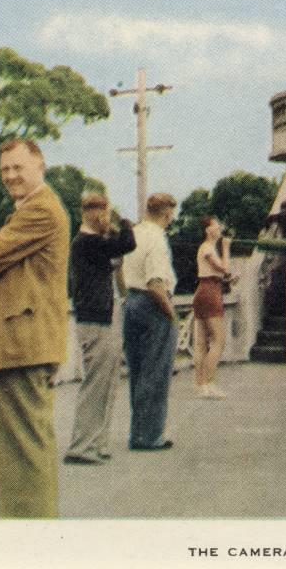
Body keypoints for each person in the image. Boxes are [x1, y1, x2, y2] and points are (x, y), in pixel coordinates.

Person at [0, 138, 69, 518]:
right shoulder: (33, 209)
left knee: (23, 454)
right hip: (21, 344)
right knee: (24, 451)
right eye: (5, 169)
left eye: (18, 167)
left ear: (39, 165)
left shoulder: (40, 211)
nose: (10, 176)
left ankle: (29, 541)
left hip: (23, 344)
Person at [63, 193, 136, 465]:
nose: (107, 219)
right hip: (95, 320)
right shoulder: (86, 242)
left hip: (102, 315)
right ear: (96, 214)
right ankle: (82, 446)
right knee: (96, 384)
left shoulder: (91, 244)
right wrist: (122, 222)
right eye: (104, 214)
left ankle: (97, 442)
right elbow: (128, 243)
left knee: (107, 383)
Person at [121, 192, 179, 451]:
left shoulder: (134, 233)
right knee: (156, 371)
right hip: (152, 304)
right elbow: (156, 283)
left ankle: (137, 431)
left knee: (138, 371)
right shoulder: (156, 239)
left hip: (131, 301)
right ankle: (151, 434)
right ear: (167, 213)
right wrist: (171, 314)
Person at [192, 216, 238, 399]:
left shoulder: (207, 248)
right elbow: (224, 268)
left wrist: (226, 278)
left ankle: (200, 384)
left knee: (202, 342)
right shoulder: (208, 248)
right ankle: (209, 383)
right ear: (208, 230)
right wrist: (226, 249)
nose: (219, 229)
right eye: (216, 226)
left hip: (206, 290)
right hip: (210, 293)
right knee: (219, 340)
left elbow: (216, 272)